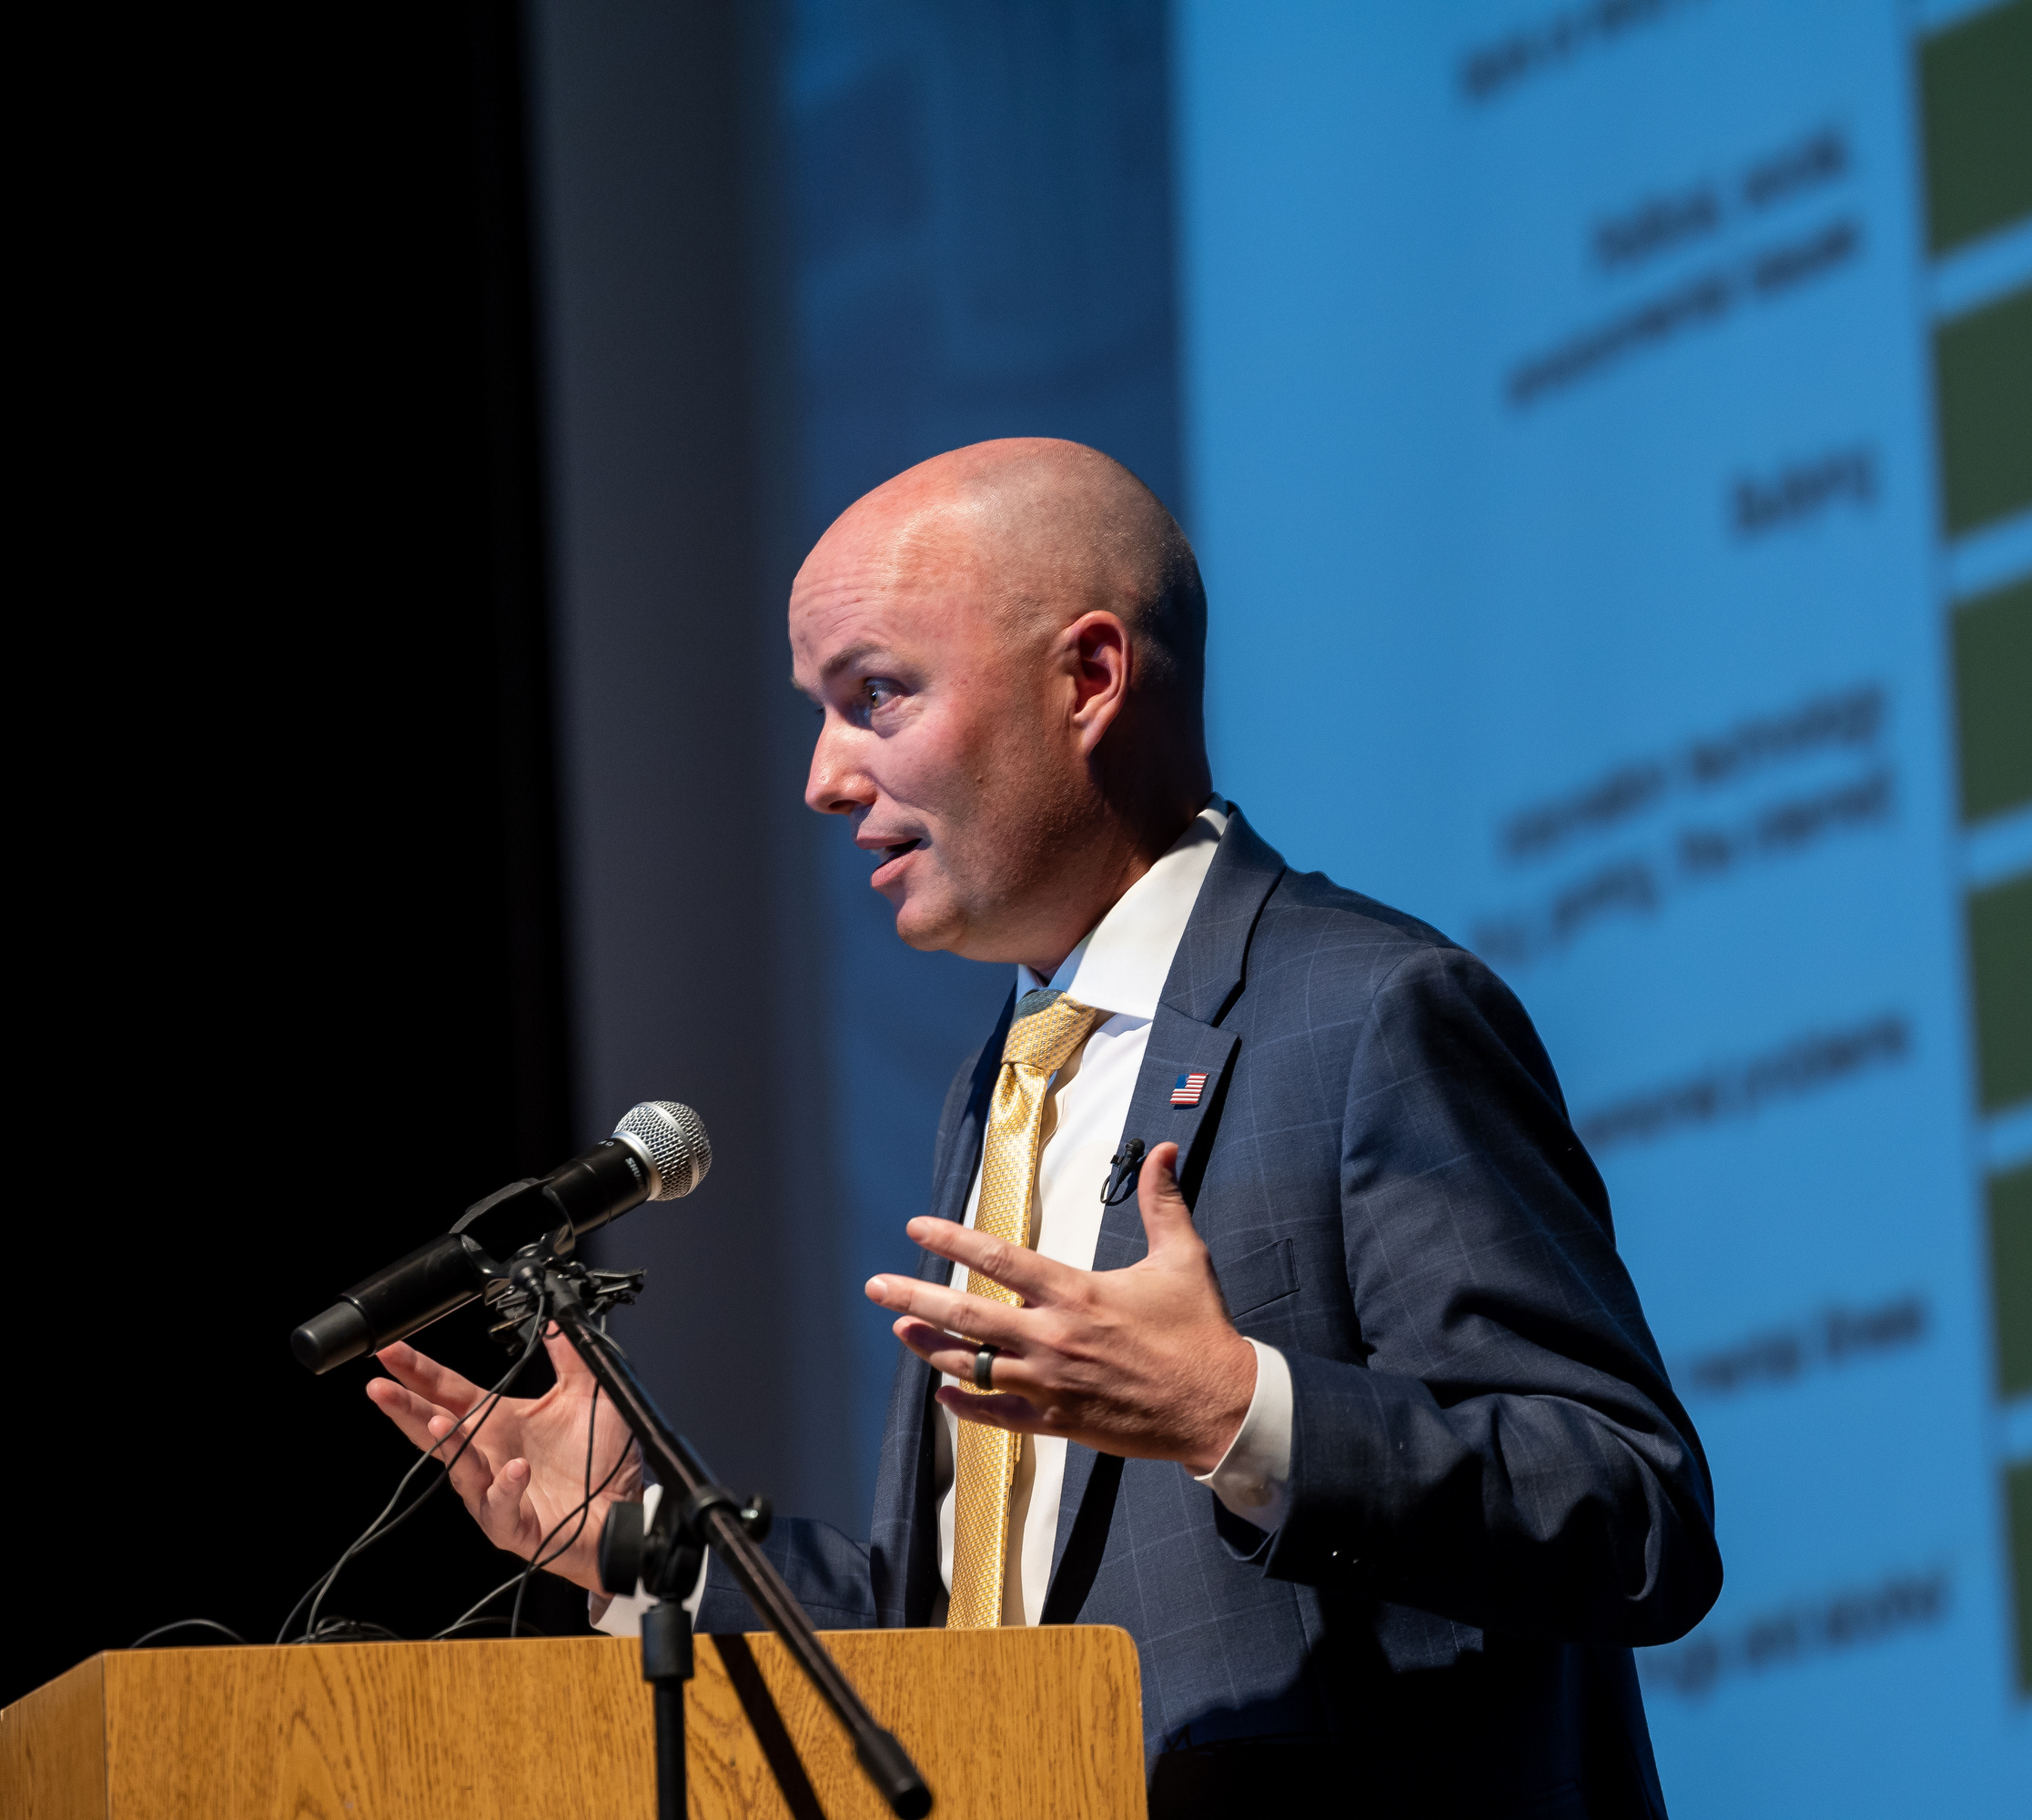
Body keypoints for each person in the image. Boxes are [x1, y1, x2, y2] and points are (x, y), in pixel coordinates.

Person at [366, 439, 1720, 1817]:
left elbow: (1630, 1511)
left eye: (875, 697)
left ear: (1089, 677)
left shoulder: (1371, 1011)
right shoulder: (1001, 1086)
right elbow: (967, 1641)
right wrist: (650, 1541)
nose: (825, 779)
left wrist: (1239, 1412)